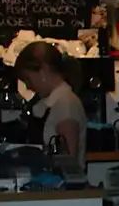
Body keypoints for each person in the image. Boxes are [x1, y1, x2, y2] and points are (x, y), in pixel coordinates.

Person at [15, 42, 86, 176]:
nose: (29, 87)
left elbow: (69, 162)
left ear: (43, 71)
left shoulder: (65, 104)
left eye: (28, 79)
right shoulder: (53, 103)